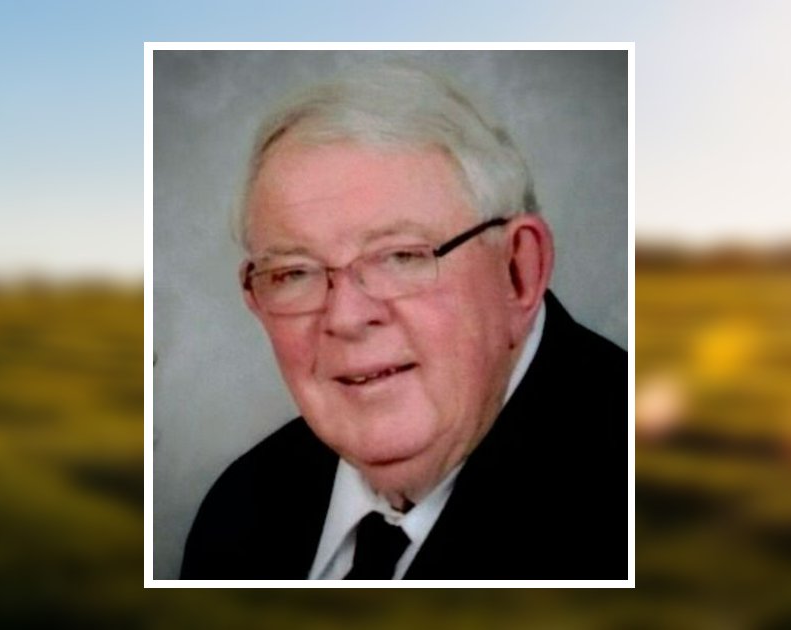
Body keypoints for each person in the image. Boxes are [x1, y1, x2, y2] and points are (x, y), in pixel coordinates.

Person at [180, 62, 625, 580]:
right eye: (294, 272)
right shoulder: (239, 511)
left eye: (401, 257)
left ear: (517, 272)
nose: (346, 317)